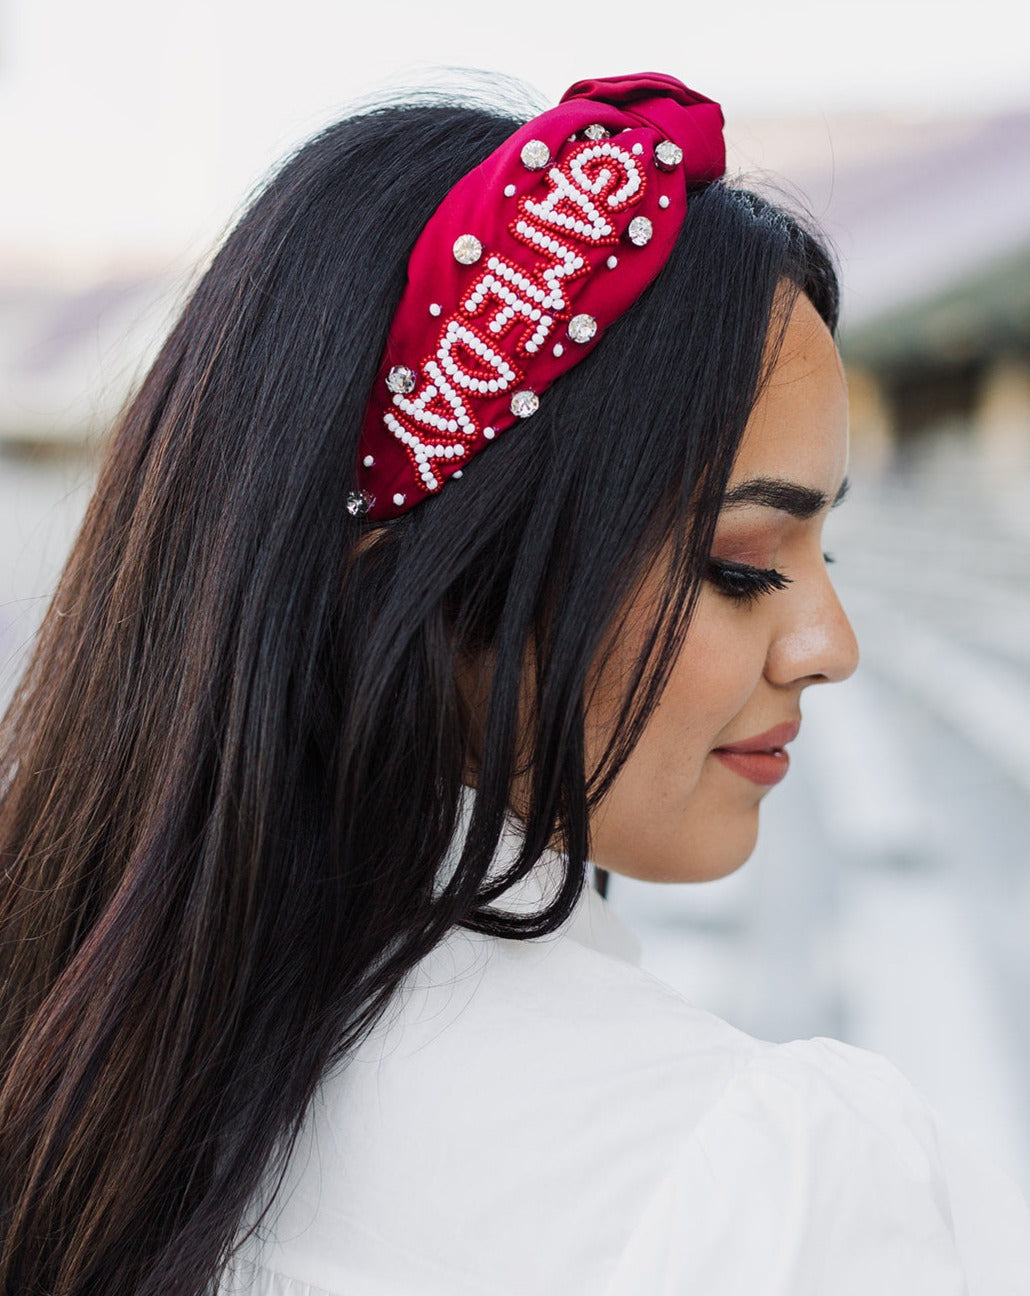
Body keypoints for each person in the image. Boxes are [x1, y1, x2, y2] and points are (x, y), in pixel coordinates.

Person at [0, 70, 1026, 1296]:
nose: (830, 644)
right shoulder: (762, 1189)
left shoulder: (69, 1056)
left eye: (827, 549)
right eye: (744, 563)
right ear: (437, 569)